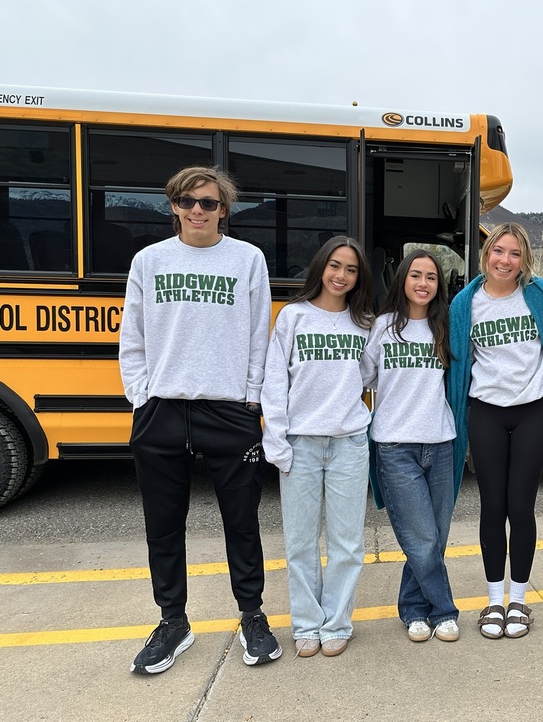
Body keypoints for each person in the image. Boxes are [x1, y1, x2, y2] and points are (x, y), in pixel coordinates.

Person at [120, 165, 280, 674]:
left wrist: (251, 398)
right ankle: (173, 622)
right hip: (162, 407)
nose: (197, 210)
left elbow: (259, 334)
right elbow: (134, 336)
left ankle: (252, 614)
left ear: (223, 210)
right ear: (173, 206)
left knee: (242, 521)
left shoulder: (247, 259)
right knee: (163, 527)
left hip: (227, 409)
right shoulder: (149, 261)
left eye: (208, 203)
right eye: (188, 201)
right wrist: (141, 398)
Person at [447, 222, 543, 639]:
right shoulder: (466, 304)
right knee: (492, 507)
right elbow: (458, 362)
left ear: (525, 258)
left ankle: (519, 600)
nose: (506, 260)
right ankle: (494, 601)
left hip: (533, 411)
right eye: (499, 251)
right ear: (487, 254)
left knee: (522, 506)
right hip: (486, 413)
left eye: (515, 253)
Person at [261, 236, 374, 658]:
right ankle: (307, 624)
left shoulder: (363, 323)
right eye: (335, 266)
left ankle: (337, 623)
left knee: (347, 543)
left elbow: (369, 378)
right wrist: (278, 441)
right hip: (301, 444)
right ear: (321, 268)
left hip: (348, 443)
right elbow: (275, 383)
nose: (341, 276)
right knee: (300, 542)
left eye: (351, 269)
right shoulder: (293, 318)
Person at [361, 249, 460, 643]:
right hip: (395, 445)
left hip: (441, 443)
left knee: (435, 534)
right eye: (416, 275)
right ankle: (443, 610)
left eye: (431, 277)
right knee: (420, 537)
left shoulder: (444, 327)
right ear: (402, 279)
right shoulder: (384, 327)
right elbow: (365, 377)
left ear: (439, 286)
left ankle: (413, 609)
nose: (423, 283)